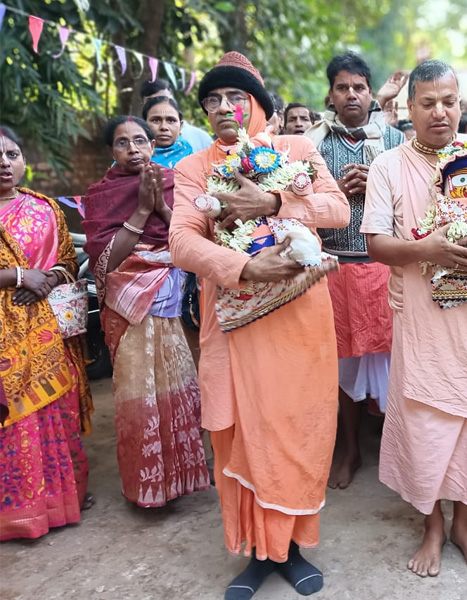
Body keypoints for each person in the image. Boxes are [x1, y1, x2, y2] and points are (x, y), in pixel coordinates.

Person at [169, 52, 349, 598]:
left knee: (297, 427)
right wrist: (246, 266)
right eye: (212, 100)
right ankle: (256, 552)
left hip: (299, 316)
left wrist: (273, 200)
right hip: (234, 321)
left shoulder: (297, 149)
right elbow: (182, 242)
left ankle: (289, 550)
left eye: (235, 97)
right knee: (243, 436)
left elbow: (338, 211)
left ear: (258, 106)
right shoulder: (194, 167)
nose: (224, 107)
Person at [362, 60, 467, 577]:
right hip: (422, 318)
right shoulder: (389, 165)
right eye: (428, 102)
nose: (440, 112)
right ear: (408, 108)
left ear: (460, 104)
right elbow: (373, 242)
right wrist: (425, 248)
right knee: (426, 423)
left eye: (449, 101)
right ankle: (432, 527)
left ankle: (464, 524)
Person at [82, 116, 209, 509]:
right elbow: (106, 263)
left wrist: (161, 209)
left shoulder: (174, 184)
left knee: (178, 387)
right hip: (127, 305)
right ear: (111, 151)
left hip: (174, 298)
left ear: (154, 146)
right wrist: (140, 212)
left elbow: (192, 241)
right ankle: (147, 488)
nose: (133, 149)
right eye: (123, 143)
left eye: (141, 141)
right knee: (139, 395)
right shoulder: (100, 195)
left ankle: (181, 479)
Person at [304, 53, 406, 490]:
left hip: (387, 268)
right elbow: (298, 206)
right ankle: (350, 450)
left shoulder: (397, 140)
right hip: (335, 270)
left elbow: (418, 199)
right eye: (342, 88)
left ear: (370, 91)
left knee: (398, 365)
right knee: (341, 368)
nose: (351, 95)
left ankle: (398, 447)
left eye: (359, 87)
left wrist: (381, 186)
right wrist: (335, 197)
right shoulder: (310, 144)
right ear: (330, 94)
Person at [0, 126, 93, 540]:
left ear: (23, 162)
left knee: (56, 409)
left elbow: (69, 261)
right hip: (4, 330)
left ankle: (62, 496)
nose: (4, 162)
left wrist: (50, 277)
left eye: (12, 153)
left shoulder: (46, 208)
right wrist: (21, 274)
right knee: (12, 418)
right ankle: (19, 510)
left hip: (47, 326)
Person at [141, 78, 213, 152]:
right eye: (156, 120)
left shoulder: (201, 138)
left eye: (164, 99)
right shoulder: (135, 149)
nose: (164, 127)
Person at [142, 96, 194, 168]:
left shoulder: (190, 157)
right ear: (144, 125)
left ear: (181, 126)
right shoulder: (135, 156)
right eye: (156, 120)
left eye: (171, 121)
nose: (164, 127)